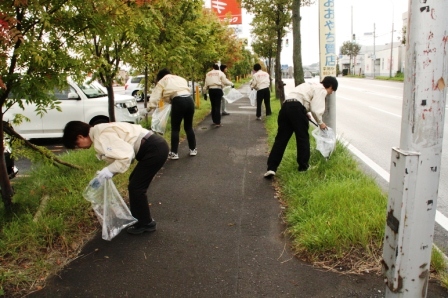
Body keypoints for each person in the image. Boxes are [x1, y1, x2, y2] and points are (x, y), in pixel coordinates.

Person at [62, 121, 169, 234]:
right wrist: (108, 173)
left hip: (154, 149)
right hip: (153, 146)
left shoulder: (102, 135)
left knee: (136, 187)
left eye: (77, 144)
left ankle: (146, 224)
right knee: (134, 183)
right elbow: (123, 156)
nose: (79, 148)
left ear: (80, 136)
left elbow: (125, 157)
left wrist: (108, 171)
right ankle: (141, 220)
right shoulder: (99, 131)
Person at [264, 76, 339, 178]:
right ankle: (303, 167)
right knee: (302, 138)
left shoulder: (310, 84)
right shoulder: (321, 89)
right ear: (330, 86)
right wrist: (321, 123)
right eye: (332, 90)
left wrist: (304, 112)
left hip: (285, 108)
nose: (330, 93)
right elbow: (316, 110)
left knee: (281, 139)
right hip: (297, 109)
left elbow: (300, 100)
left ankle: (271, 168)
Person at [148, 68, 197, 160]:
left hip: (178, 101)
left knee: (175, 128)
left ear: (160, 76)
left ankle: (174, 153)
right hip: (190, 100)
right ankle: (193, 149)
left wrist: (149, 108)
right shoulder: (180, 78)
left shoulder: (162, 81)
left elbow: (155, 97)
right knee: (188, 126)